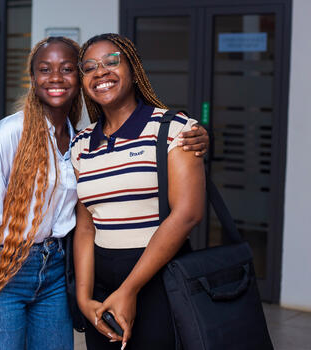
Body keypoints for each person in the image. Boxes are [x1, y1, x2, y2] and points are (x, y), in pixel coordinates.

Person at [0, 36, 209, 350]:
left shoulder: (81, 140)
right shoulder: (26, 136)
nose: (56, 77)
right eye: (45, 69)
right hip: (12, 269)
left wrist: (197, 136)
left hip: (61, 269)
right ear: (33, 79)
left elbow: (183, 211)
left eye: (68, 68)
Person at [71, 33, 206, 350]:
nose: (100, 72)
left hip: (159, 278)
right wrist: (84, 296)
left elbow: (188, 214)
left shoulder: (174, 129)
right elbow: (86, 225)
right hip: (101, 282)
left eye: (111, 61)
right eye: (89, 67)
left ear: (133, 69)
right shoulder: (81, 144)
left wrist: (130, 289)